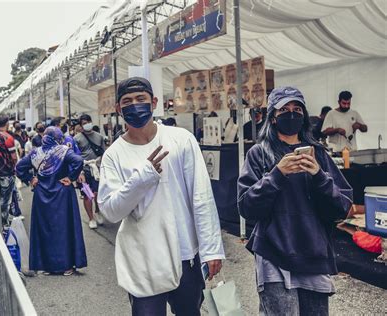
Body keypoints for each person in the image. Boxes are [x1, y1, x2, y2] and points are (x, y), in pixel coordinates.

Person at [98, 77, 225, 315]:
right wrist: (142, 178)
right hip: (143, 259)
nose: (134, 105)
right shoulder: (114, 155)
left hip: (185, 253)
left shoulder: (180, 139)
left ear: (154, 102)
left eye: (140, 99)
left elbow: (201, 196)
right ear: (118, 109)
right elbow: (110, 210)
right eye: (127, 101)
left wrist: (211, 249)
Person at [237, 86, 353, 316]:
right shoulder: (259, 154)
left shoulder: (318, 154)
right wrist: (277, 175)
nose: (291, 114)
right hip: (274, 252)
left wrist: (319, 176)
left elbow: (342, 206)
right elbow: (247, 206)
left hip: (313, 253)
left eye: (297, 109)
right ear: (272, 117)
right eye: (284, 110)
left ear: (304, 115)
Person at [16, 127, 87, 276]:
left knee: (45, 229)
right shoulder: (63, 150)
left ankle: (47, 266)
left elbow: (19, 167)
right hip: (62, 192)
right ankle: (67, 265)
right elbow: (79, 160)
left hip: (41, 194)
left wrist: (30, 179)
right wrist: (71, 177)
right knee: (64, 229)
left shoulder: (35, 153)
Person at [74, 114, 106, 229]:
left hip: (97, 170)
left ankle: (98, 212)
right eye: (84, 123)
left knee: (98, 194)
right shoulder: (76, 139)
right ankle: (91, 218)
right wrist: (79, 172)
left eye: (88, 121)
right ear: (81, 126)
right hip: (84, 170)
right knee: (88, 195)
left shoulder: (99, 137)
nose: (87, 124)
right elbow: (74, 157)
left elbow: (104, 153)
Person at [0, 114, 20, 225]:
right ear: (7, 124)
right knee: (5, 201)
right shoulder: (8, 137)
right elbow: (14, 157)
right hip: (7, 172)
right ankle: (4, 225)